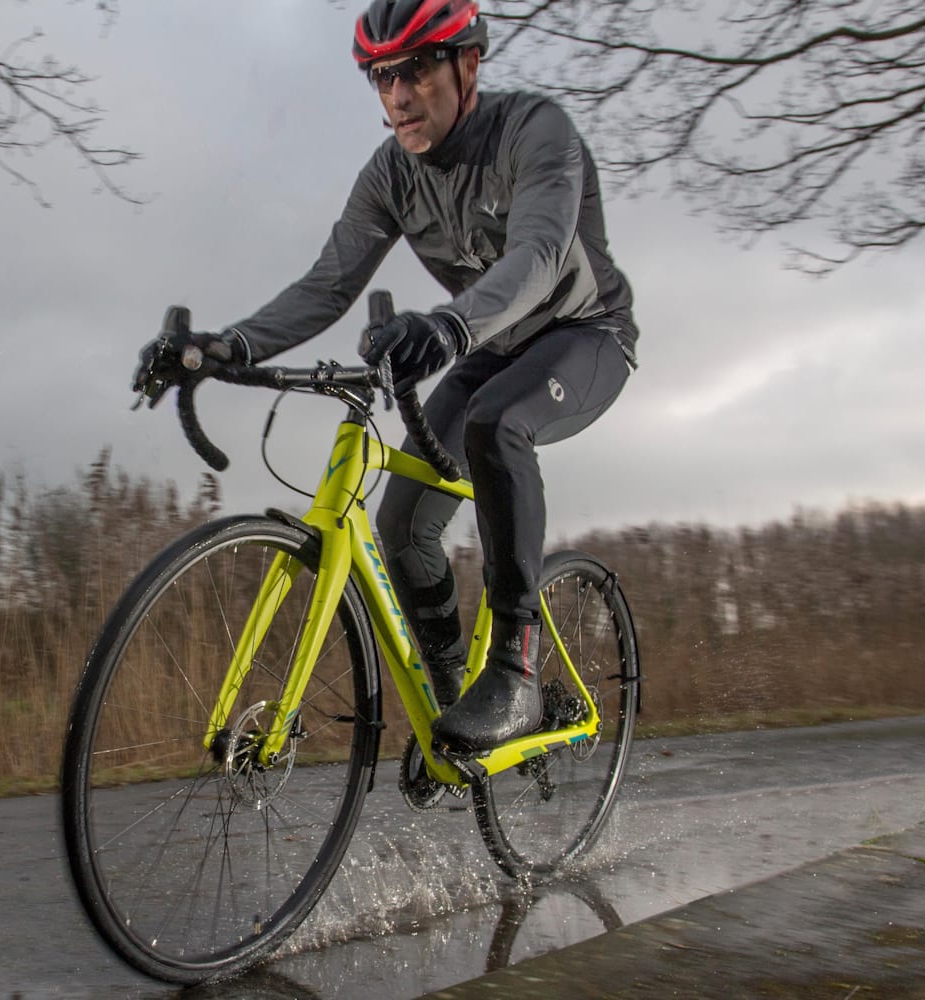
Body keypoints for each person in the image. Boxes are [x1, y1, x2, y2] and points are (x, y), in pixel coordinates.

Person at [132, 0, 638, 754]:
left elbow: (536, 256)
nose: (397, 95)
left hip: (581, 335)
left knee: (497, 425)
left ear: (468, 63)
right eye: (380, 77)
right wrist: (225, 347)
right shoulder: (391, 175)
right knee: (401, 524)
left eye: (416, 70)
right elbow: (326, 287)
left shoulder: (536, 132)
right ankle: (449, 705)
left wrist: (449, 326)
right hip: (485, 347)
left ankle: (515, 673)